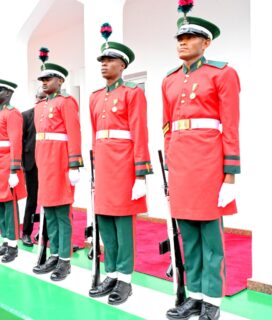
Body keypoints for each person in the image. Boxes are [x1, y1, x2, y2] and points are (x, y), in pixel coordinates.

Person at [163, 4, 240, 320]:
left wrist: (230, 176)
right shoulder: (168, 81)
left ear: (206, 43)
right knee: (189, 238)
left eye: (190, 36)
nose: (182, 41)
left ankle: (212, 300)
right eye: (179, 36)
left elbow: (230, 125)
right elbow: (167, 126)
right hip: (181, 168)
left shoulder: (222, 74)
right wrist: (170, 161)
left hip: (209, 167)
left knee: (210, 239)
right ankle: (193, 296)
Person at [88, 23, 153, 304]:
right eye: (102, 61)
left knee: (123, 224)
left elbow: (140, 133)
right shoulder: (94, 97)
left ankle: (125, 279)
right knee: (105, 221)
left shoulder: (132, 93)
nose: (104, 65)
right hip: (103, 167)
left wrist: (141, 174)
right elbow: (96, 135)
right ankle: (111, 272)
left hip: (124, 166)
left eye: (110, 60)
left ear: (123, 65)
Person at [32, 48, 83, 281]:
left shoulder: (67, 102)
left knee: (62, 213)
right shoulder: (40, 106)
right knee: (49, 211)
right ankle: (53, 253)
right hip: (45, 163)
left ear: (60, 81)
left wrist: (74, 164)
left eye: (48, 78)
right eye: (42, 79)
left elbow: (74, 133)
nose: (44, 83)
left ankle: (65, 259)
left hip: (61, 162)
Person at [0, 65, 27, 263]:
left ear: (9, 93)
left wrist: (14, 169)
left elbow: (15, 142)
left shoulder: (12, 113)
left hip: (5, 165)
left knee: (9, 205)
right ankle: (4, 239)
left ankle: (13, 244)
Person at [20, 90, 46, 247]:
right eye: (40, 97)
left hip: (49, 164)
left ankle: (45, 233)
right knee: (32, 200)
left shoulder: (53, 113)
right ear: (35, 99)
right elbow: (21, 141)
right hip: (32, 164)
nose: (42, 100)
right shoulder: (26, 115)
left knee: (49, 201)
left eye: (44, 97)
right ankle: (26, 233)